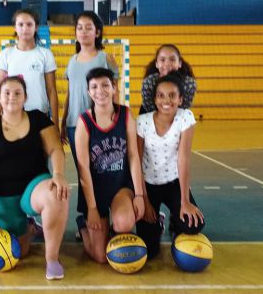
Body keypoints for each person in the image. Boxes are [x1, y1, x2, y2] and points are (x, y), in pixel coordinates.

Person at [0, 75, 69, 280]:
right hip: (4, 197)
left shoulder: (38, 119)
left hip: (34, 188)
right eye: (6, 93)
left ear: (25, 97)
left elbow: (56, 149)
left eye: (17, 93)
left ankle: (52, 260)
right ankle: (29, 228)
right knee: (19, 253)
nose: (12, 97)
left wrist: (59, 174)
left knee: (57, 194)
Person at [74, 67, 145, 264]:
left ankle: (115, 225)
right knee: (100, 257)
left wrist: (139, 195)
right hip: (95, 191)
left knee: (124, 223)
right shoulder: (84, 122)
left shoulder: (126, 115)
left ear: (114, 88)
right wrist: (92, 208)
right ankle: (83, 224)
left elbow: (133, 156)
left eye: (105, 85)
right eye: (94, 87)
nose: (100, 91)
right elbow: (83, 169)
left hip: (120, 187)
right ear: (89, 92)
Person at [60, 12, 119, 233]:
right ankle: (86, 217)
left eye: (88, 27)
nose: (83, 31)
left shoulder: (105, 58)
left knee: (101, 170)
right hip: (76, 125)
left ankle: (107, 213)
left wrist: (116, 117)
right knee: (83, 171)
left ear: (98, 32)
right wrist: (64, 120)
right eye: (80, 28)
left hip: (100, 124)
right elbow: (70, 93)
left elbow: (115, 90)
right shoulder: (71, 62)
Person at [136, 72, 205, 258]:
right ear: (155, 99)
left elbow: (183, 159)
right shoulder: (142, 122)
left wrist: (185, 201)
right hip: (149, 184)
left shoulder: (185, 118)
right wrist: (144, 199)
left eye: (172, 95)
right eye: (161, 95)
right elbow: (137, 162)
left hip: (173, 182)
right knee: (149, 250)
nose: (166, 100)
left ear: (181, 98)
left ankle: (176, 223)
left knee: (193, 224)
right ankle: (157, 221)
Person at [0, 8, 58, 129]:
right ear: (15, 27)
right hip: (12, 116)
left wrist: (55, 123)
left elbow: (51, 90)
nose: (25, 28)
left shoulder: (46, 54)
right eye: (21, 24)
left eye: (29, 24)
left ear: (36, 27)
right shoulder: (6, 54)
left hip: (40, 117)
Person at [141, 44, 196, 114]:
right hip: (151, 116)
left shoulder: (189, 83)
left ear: (179, 63)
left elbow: (183, 109)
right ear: (157, 64)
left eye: (172, 60)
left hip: (177, 117)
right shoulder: (149, 82)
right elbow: (149, 109)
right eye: (162, 60)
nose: (167, 63)